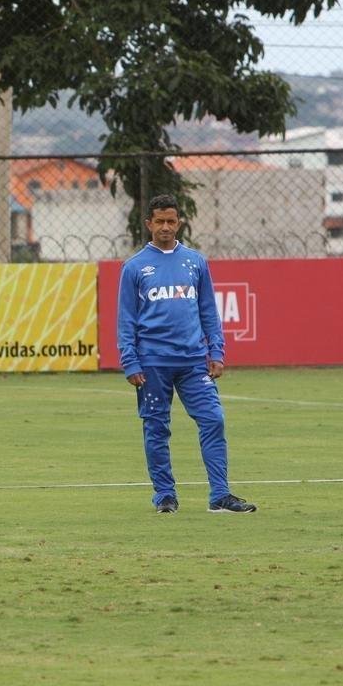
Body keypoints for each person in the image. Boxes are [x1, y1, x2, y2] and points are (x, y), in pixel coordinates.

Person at [117, 194, 256, 515]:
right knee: (156, 428)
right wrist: (130, 361)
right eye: (159, 221)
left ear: (179, 223)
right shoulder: (135, 267)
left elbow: (208, 310)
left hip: (194, 362)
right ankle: (165, 495)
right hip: (152, 363)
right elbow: (126, 319)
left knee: (214, 420)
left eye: (171, 221)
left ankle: (220, 495)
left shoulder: (195, 262)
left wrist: (216, 351)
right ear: (148, 224)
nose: (165, 227)